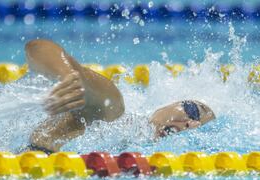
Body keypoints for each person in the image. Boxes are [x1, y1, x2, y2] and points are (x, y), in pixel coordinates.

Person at [24, 39, 216, 154]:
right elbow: (37, 47)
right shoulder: (112, 111)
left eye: (200, 128)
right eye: (193, 111)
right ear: (165, 105)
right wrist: (66, 75)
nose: (193, 124)